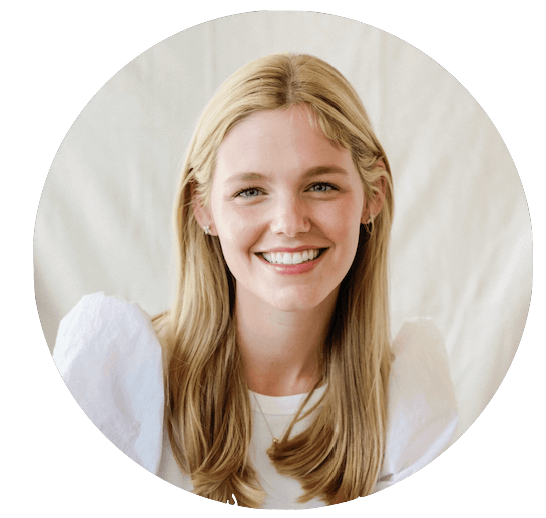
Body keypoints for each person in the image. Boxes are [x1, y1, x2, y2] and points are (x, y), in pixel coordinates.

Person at [52, 53, 458, 508]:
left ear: (373, 195)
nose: (289, 223)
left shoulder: (407, 399)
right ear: (203, 209)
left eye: (321, 186)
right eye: (250, 191)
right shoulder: (117, 374)